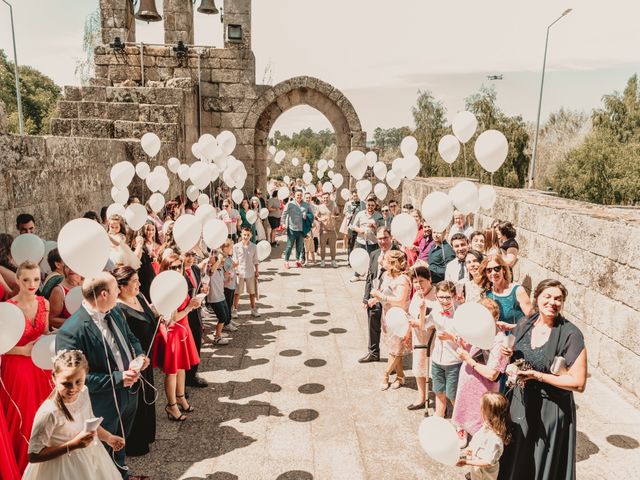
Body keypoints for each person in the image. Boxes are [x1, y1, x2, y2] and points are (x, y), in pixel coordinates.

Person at [55, 272, 147, 478]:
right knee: (99, 456)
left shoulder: (114, 312)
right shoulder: (71, 331)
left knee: (120, 444)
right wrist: (118, 378)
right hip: (101, 404)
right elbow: (74, 381)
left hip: (128, 395)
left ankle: (121, 473)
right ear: (104, 294)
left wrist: (139, 355)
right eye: (116, 289)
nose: (120, 292)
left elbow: (131, 337)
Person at [498, 280, 587, 480]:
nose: (552, 302)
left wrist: (538, 376)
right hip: (520, 403)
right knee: (517, 459)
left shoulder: (571, 334)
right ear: (536, 298)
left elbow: (579, 383)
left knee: (540, 463)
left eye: (558, 299)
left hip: (551, 409)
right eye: (547, 296)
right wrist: (508, 354)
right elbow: (513, 357)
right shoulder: (524, 324)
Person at [22, 350, 124, 480]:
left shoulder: (83, 392)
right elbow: (33, 455)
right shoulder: (49, 412)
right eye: (66, 384)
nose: (73, 389)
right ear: (54, 377)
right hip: (61, 468)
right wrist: (73, 445)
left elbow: (89, 421)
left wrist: (108, 437)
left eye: (79, 382)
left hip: (88, 458)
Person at [0, 261, 53, 473]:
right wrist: (21, 351)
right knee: (23, 416)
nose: (31, 284)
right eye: (26, 280)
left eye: (36, 279)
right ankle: (24, 468)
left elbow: (46, 332)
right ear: (18, 280)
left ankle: (46, 467)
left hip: (42, 365)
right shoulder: (7, 308)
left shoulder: (44, 303)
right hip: (16, 366)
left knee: (45, 414)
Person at [112, 267, 157, 457]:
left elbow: (151, 314)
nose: (140, 284)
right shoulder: (117, 309)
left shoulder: (139, 297)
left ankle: (146, 435)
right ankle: (133, 443)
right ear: (121, 286)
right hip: (132, 362)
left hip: (146, 357)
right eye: (135, 281)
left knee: (146, 398)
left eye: (139, 280)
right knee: (135, 402)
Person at [151, 255, 201, 425]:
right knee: (172, 371)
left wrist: (195, 301)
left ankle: (181, 398)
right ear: (165, 268)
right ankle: (171, 405)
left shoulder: (179, 285)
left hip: (183, 331)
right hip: (172, 332)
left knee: (181, 369)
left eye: (178, 266)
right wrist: (189, 307)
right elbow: (171, 319)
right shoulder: (164, 289)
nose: (176, 270)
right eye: (172, 267)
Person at [452, 297, 509, 446]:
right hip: (467, 381)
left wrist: (468, 359)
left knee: (481, 420)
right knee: (464, 411)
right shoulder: (478, 329)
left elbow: (492, 374)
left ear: (496, 318)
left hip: (483, 388)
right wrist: (464, 345)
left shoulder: (500, 341)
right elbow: (473, 350)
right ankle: (462, 431)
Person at [370, 250, 412, 390]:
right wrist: (375, 299)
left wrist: (381, 297)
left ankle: (385, 374)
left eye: (386, 260)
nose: (383, 261)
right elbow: (386, 292)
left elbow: (400, 300)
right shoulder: (389, 276)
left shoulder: (403, 280)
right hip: (388, 316)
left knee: (396, 350)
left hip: (399, 318)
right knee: (394, 349)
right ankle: (400, 377)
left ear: (393, 263)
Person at [458, 392, 512, 480]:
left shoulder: (495, 438)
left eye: (482, 408)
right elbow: (477, 439)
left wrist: (466, 462)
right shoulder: (486, 426)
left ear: (489, 413)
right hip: (477, 470)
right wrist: (470, 448)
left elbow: (488, 461)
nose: (480, 410)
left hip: (485, 474)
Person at [359, 227, 393, 363]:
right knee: (372, 325)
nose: (382, 241)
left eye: (385, 238)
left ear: (390, 237)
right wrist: (366, 298)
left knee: (390, 330)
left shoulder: (397, 254)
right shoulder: (374, 254)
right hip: (374, 297)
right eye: (380, 238)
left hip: (390, 298)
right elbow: (370, 277)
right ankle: (373, 352)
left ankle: (394, 359)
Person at [406, 265, 437, 413]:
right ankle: (421, 397)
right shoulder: (416, 295)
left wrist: (420, 322)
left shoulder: (437, 295)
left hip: (434, 339)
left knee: (434, 370)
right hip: (418, 337)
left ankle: (439, 401)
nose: (418, 285)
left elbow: (437, 318)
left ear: (429, 280)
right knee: (418, 368)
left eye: (422, 281)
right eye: (415, 282)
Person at [430, 281, 462, 417]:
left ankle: (460, 427)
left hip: (453, 361)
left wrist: (450, 337)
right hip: (437, 359)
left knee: (454, 397)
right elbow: (423, 323)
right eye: (440, 297)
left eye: (448, 297)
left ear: (454, 296)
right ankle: (439, 420)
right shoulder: (436, 310)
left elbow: (467, 342)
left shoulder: (460, 313)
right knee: (439, 392)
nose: (444, 301)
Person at [484, 254, 533, 332]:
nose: (493, 273)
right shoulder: (487, 294)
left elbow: (533, 319)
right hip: (497, 342)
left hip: (518, 338)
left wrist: (511, 327)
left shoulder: (517, 291)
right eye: (489, 270)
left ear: (503, 270)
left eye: (497, 268)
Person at [182, 251, 209, 388]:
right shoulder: (178, 273)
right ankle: (183, 381)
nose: (190, 258)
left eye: (192, 256)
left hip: (196, 312)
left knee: (197, 341)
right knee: (185, 347)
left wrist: (204, 291)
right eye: (187, 255)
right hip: (183, 314)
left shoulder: (195, 269)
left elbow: (198, 288)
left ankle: (192, 375)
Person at [349, 196, 384, 282]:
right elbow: (353, 226)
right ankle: (356, 275)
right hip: (360, 240)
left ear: (375, 206)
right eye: (369, 205)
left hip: (373, 241)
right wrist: (359, 230)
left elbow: (381, 229)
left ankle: (370, 276)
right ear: (366, 205)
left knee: (372, 259)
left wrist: (375, 227)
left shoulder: (378, 216)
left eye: (372, 205)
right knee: (358, 258)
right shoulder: (360, 214)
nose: (370, 207)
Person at [205, 250, 232, 346]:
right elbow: (211, 271)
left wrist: (227, 281)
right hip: (215, 298)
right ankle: (217, 338)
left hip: (221, 297)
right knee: (222, 317)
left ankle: (218, 332)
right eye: (218, 260)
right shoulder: (210, 270)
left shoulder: (220, 270)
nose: (222, 262)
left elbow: (221, 283)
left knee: (225, 316)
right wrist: (218, 260)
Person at [232, 227, 260, 318]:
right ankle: (235, 309)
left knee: (252, 292)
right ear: (241, 235)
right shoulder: (236, 246)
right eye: (244, 234)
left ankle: (253, 308)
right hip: (239, 272)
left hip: (250, 271)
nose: (246, 236)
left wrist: (257, 270)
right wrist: (235, 270)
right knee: (237, 292)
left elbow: (255, 260)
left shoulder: (254, 246)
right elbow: (234, 259)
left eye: (248, 235)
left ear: (251, 235)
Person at [282, 189, 312, 269]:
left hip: (301, 230)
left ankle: (297, 261)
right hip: (292, 229)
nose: (299, 196)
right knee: (289, 246)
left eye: (300, 195)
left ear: (302, 196)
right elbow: (284, 214)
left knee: (299, 246)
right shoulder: (290, 204)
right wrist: (283, 223)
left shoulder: (306, 205)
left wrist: (307, 215)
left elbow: (311, 214)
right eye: (297, 195)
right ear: (294, 196)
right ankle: (286, 261)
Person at [48, 264, 83, 329]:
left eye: (75, 265)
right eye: (68, 266)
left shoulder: (89, 286)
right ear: (64, 268)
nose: (71, 269)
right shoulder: (59, 291)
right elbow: (51, 319)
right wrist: (75, 323)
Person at [315, 191, 340, 268]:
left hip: (332, 229)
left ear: (329, 197)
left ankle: (333, 261)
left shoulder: (334, 204)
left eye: (327, 198)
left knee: (333, 247)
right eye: (324, 198)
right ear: (322, 198)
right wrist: (319, 219)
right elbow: (316, 216)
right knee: (322, 246)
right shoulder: (320, 206)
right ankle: (323, 261)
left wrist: (335, 217)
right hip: (323, 230)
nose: (326, 199)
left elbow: (338, 214)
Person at [344, 191, 365, 255]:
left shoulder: (363, 204)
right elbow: (346, 213)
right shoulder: (349, 204)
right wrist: (350, 213)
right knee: (351, 243)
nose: (355, 197)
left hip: (360, 227)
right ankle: (349, 259)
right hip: (352, 227)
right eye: (354, 196)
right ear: (352, 196)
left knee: (360, 243)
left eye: (356, 195)